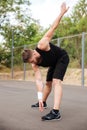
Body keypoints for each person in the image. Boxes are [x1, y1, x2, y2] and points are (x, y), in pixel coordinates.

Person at [22, 2, 69, 121]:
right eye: (31, 62)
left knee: (56, 82)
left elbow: (53, 27)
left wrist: (62, 13)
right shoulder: (33, 64)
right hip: (53, 63)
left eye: (33, 59)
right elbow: (38, 80)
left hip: (62, 57)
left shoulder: (42, 44)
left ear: (33, 52)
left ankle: (55, 112)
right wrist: (39, 97)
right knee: (48, 83)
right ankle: (43, 102)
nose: (33, 62)